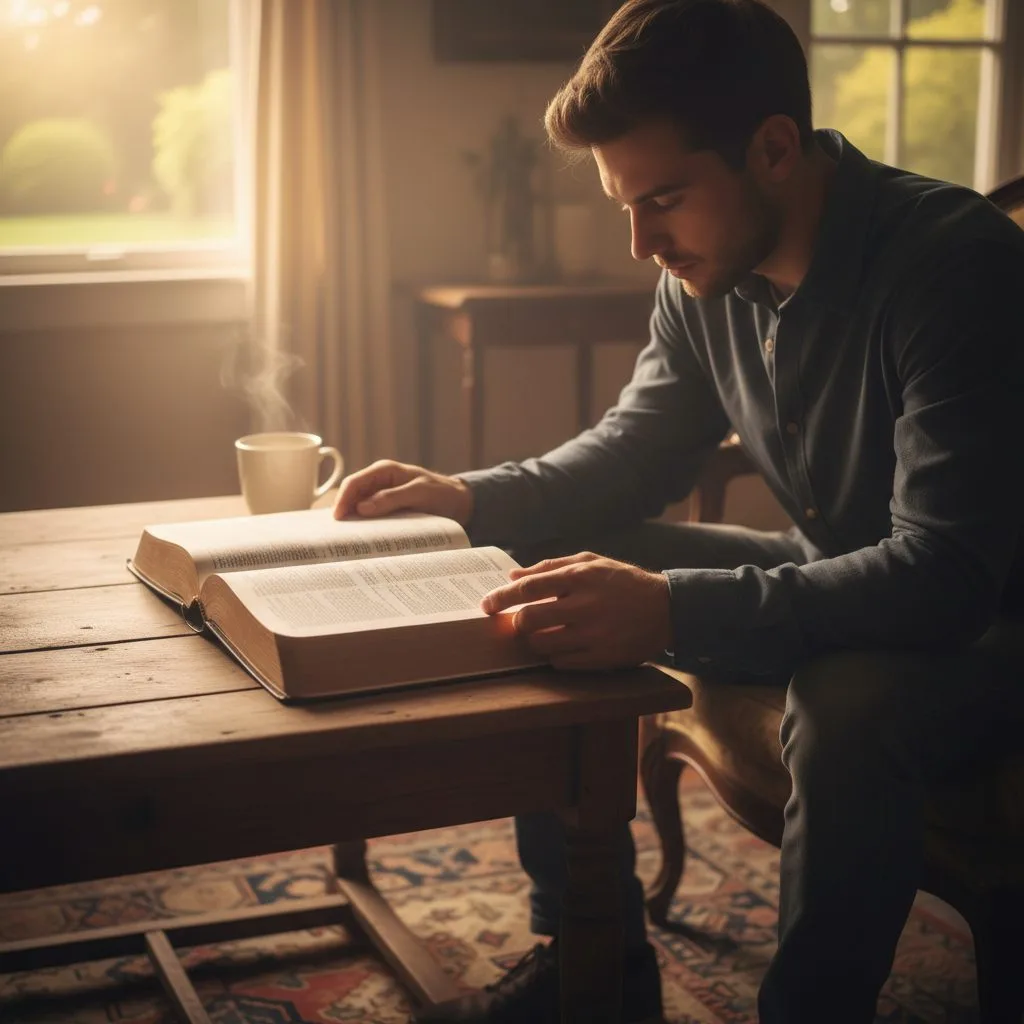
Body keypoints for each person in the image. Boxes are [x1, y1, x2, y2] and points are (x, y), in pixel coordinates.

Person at [334, 1, 1024, 1021]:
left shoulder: (953, 268)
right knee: (544, 564)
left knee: (843, 701)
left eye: (661, 198)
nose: (639, 242)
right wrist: (467, 498)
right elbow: (628, 455)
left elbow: (942, 580)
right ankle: (590, 955)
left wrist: (668, 608)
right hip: (835, 568)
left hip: (988, 622)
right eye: (623, 203)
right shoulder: (704, 274)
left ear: (775, 148)